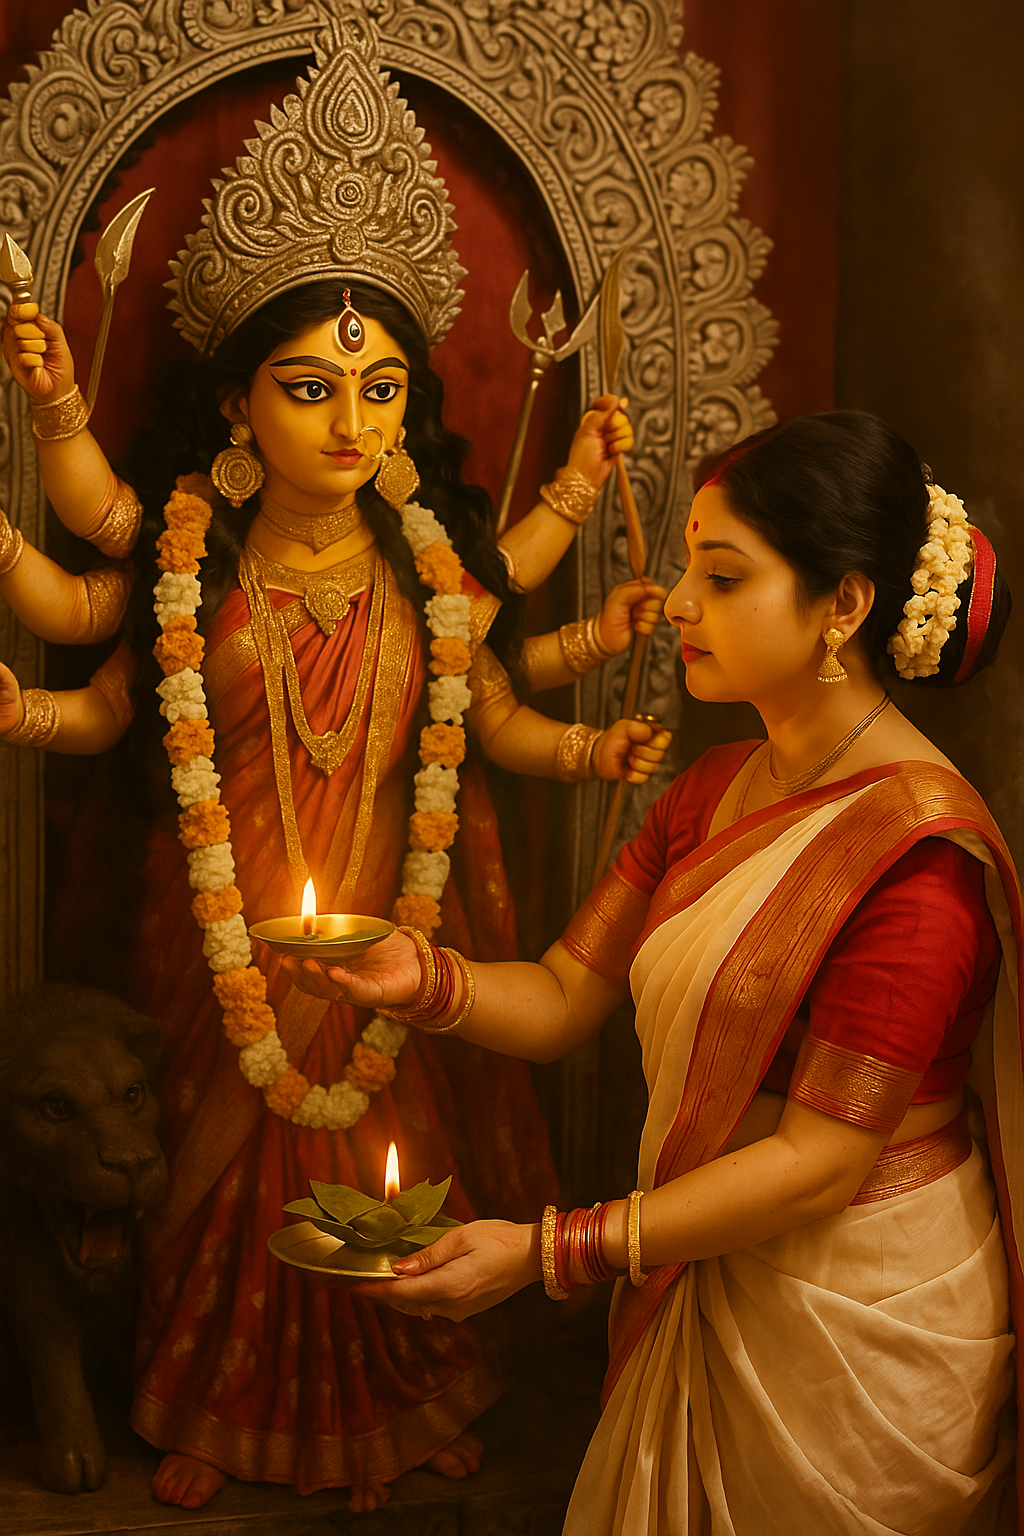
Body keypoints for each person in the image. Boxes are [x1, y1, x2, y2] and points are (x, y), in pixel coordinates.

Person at [0, 18, 672, 1515]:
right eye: (309, 389)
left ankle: (401, 1392)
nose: (352, 422)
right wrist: (27, 698)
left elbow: (490, 711)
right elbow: (102, 666)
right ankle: (211, 1403)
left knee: (389, 1151)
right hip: (216, 936)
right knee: (214, 1173)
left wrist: (588, 732)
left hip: (388, 928)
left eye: (377, 393)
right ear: (238, 406)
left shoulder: (427, 566)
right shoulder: (198, 549)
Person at [286, 410, 1023, 1535]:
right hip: (696, 1264)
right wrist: (419, 976)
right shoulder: (710, 787)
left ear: (848, 606)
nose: (677, 603)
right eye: (689, 567)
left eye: (722, 578)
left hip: (852, 1327)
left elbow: (820, 1165)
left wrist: (550, 1250)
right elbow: (562, 996)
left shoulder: (914, 859)